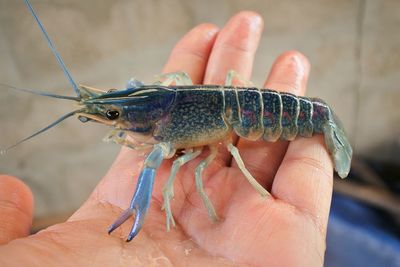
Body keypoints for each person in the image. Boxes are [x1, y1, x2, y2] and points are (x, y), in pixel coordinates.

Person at [0, 11, 333, 267]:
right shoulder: (159, 97)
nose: (112, 117)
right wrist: (114, 107)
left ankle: (324, 122)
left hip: (276, 112)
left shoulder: (162, 141)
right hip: (244, 101)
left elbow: (156, 161)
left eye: (114, 115)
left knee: (154, 163)